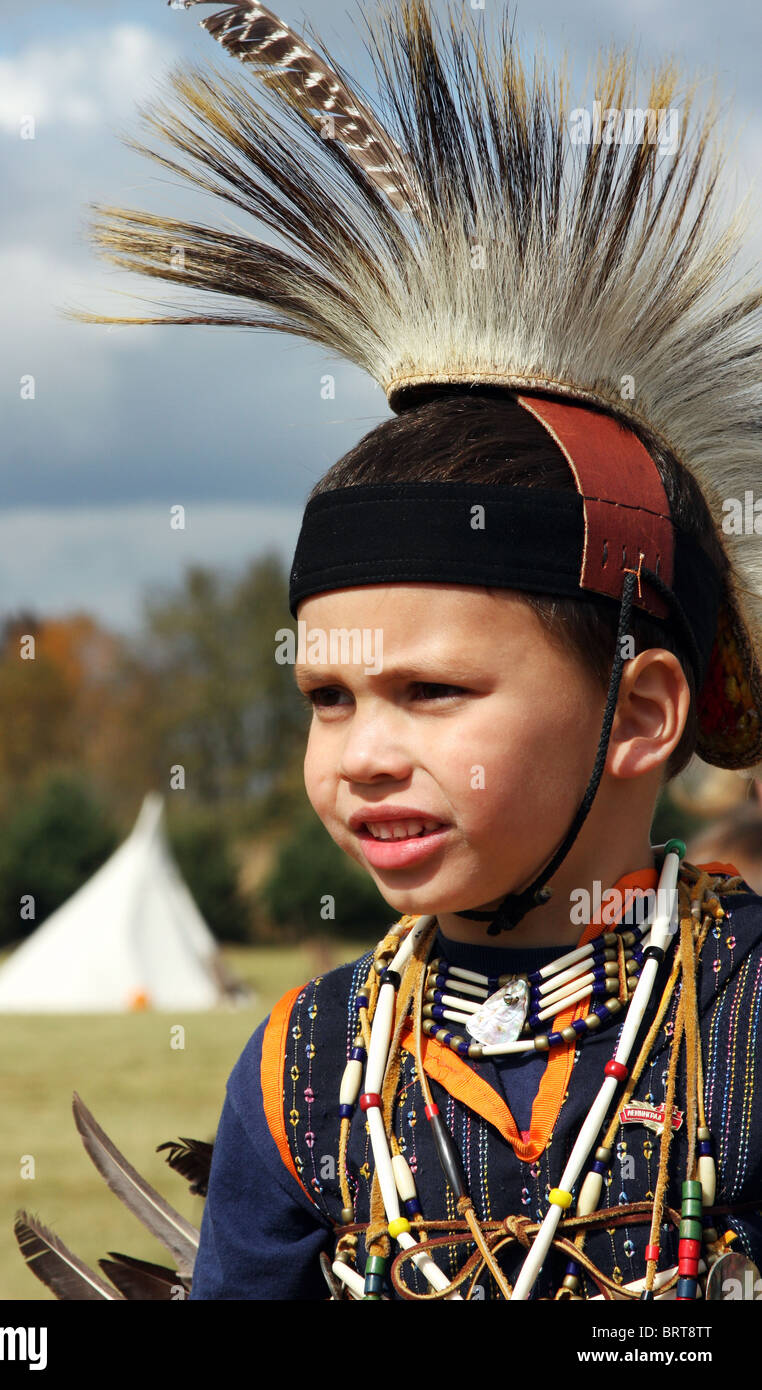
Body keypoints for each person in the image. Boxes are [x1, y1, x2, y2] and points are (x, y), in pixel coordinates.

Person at [78, 1, 762, 1299]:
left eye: (428, 692)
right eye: (325, 699)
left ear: (638, 711)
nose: (360, 757)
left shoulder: (740, 1025)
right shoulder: (303, 1070)